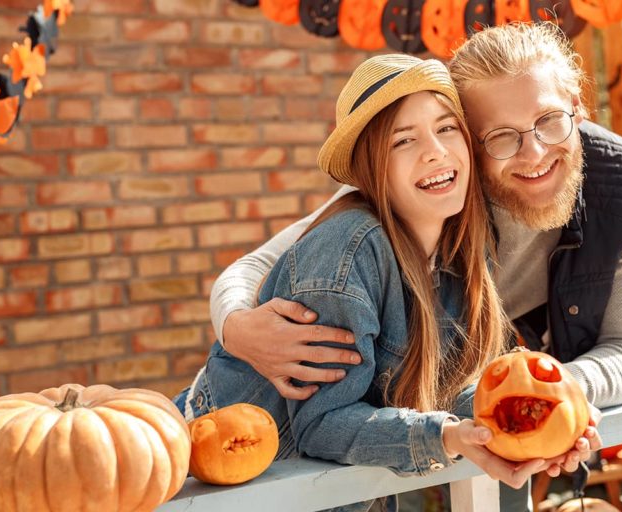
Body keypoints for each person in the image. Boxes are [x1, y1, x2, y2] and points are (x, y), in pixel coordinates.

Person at [209, 22, 622, 511]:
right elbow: (266, 268)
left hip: (385, 431)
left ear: (579, 106)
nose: (533, 153)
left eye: (550, 120)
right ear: (474, 139)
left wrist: (549, 407)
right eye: (501, 137)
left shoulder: (619, 192)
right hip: (259, 455)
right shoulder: (403, 210)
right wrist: (234, 327)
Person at [175, 53, 560, 512]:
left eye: (445, 128)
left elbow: (456, 387)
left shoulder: (459, 247)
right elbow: (323, 423)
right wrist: (447, 436)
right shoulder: (349, 249)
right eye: (404, 140)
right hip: (224, 487)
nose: (434, 150)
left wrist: (536, 414)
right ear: (371, 169)